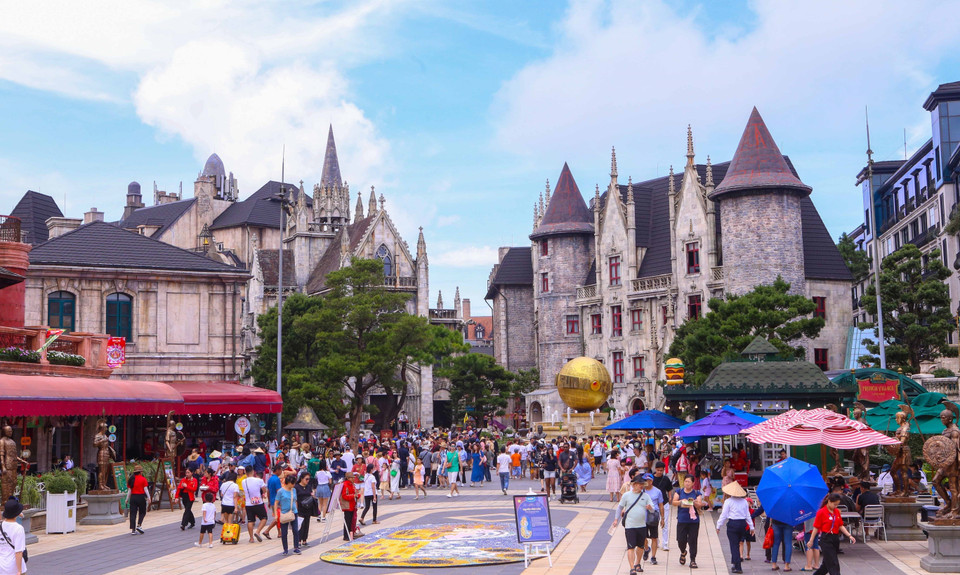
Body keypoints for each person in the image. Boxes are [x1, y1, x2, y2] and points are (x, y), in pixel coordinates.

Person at [611, 475, 654, 575]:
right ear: (634, 485)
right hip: (630, 526)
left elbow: (653, 509)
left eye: (642, 484)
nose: (641, 486)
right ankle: (632, 568)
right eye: (640, 484)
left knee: (640, 546)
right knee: (630, 547)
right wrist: (616, 519)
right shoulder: (626, 495)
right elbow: (619, 507)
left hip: (642, 525)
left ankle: (637, 563)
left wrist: (650, 508)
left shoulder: (646, 496)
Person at [809, 494, 857, 575]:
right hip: (826, 539)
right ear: (829, 501)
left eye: (837, 504)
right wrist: (811, 540)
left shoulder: (836, 512)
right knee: (833, 563)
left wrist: (849, 535)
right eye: (834, 504)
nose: (835, 506)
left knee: (826, 565)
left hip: (835, 538)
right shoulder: (821, 512)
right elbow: (816, 527)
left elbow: (840, 525)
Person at [716, 481, 754, 574]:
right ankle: (734, 563)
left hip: (733, 524)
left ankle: (738, 566)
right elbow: (747, 515)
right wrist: (751, 527)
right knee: (738, 544)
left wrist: (718, 526)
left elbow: (723, 515)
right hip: (742, 524)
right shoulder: (745, 502)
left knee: (734, 545)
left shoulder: (728, 501)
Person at [672, 474, 705, 569]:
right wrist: (681, 501)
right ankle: (683, 552)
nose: (687, 483)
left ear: (693, 483)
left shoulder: (696, 493)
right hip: (682, 519)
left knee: (693, 540)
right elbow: (674, 502)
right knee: (680, 540)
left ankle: (693, 560)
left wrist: (694, 502)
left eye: (689, 482)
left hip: (693, 521)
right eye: (685, 481)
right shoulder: (679, 491)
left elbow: (699, 505)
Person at [641, 473, 665, 566]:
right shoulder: (641, 491)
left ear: (652, 481)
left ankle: (653, 556)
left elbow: (661, 505)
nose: (646, 482)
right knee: (643, 536)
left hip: (653, 516)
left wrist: (662, 518)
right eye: (645, 480)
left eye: (648, 480)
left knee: (654, 537)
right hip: (642, 517)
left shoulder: (657, 491)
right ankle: (646, 548)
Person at [274, 473, 301, 555]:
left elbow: (295, 501)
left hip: (293, 512)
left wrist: (297, 511)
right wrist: (276, 514)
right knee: (284, 532)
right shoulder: (281, 491)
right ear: (288, 482)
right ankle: (285, 549)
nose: (293, 485)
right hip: (284, 513)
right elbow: (276, 502)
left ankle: (296, 547)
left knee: (295, 530)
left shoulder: (294, 490)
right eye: (292, 483)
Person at [241, 468, 268, 543]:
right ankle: (258, 531)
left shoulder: (244, 481)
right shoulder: (259, 480)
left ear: (245, 472)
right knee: (264, 518)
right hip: (258, 502)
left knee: (250, 520)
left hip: (248, 503)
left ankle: (251, 538)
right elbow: (264, 489)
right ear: (253, 472)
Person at [0, 497, 25, 575]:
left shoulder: (1, 525)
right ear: (17, 513)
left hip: (2, 566)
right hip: (14, 567)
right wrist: (19, 571)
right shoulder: (18, 528)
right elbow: (18, 552)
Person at [652, 461, 673, 551]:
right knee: (654, 523)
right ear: (655, 469)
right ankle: (656, 540)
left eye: (661, 470)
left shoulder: (666, 479)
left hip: (664, 503)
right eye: (658, 470)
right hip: (654, 505)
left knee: (665, 523)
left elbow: (669, 489)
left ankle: (665, 543)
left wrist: (670, 497)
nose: (660, 472)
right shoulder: (651, 479)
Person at [127, 464, 150, 535]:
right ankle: (139, 525)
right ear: (140, 472)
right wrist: (149, 497)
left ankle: (133, 530)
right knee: (142, 512)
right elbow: (145, 489)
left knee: (133, 513)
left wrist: (127, 499)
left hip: (133, 497)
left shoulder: (131, 479)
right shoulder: (143, 479)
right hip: (141, 497)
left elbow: (129, 490)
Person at [295, 472, 315, 547]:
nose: (307, 481)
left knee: (307, 524)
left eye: (309, 479)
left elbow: (310, 494)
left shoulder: (308, 486)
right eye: (306, 479)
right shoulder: (297, 487)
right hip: (300, 508)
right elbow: (295, 498)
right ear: (301, 478)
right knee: (300, 525)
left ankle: (304, 540)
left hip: (308, 508)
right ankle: (299, 540)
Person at [341, 472, 361, 541]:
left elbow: (354, 492)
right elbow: (344, 496)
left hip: (352, 505)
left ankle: (351, 534)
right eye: (352, 478)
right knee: (347, 521)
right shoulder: (345, 485)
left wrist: (357, 495)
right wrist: (353, 496)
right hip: (347, 506)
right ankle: (346, 536)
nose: (353, 479)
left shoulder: (351, 484)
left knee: (352, 520)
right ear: (348, 478)